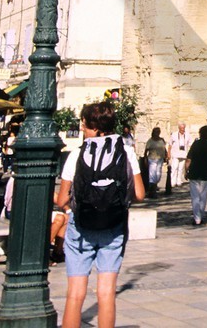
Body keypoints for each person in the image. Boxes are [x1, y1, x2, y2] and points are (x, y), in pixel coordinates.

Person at [56, 98, 145, 328]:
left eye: (84, 125)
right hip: (113, 224)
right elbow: (140, 194)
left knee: (75, 294)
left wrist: (72, 205)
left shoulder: (76, 155)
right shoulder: (126, 153)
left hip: (81, 225)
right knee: (106, 292)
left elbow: (61, 199)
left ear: (94, 127)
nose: (82, 129)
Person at [143, 126, 169, 196]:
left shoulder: (162, 140)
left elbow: (164, 148)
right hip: (152, 159)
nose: (157, 133)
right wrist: (145, 159)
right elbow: (146, 151)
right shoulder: (150, 141)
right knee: (152, 174)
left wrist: (166, 155)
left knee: (158, 175)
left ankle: (154, 186)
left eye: (158, 132)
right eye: (156, 132)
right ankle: (152, 190)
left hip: (160, 158)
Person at [167, 121, 191, 191]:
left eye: (183, 128)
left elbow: (190, 144)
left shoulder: (187, 135)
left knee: (181, 168)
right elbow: (170, 144)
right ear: (179, 128)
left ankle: (179, 181)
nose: (182, 130)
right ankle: (172, 182)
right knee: (174, 167)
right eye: (181, 128)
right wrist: (169, 153)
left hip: (183, 154)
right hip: (175, 153)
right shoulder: (174, 135)